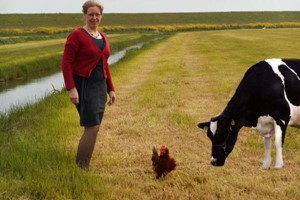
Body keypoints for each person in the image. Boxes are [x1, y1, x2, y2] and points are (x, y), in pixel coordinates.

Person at [61, 0, 116, 170]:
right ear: (84, 15)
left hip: (99, 86)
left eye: (97, 14)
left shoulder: (103, 36)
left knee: (95, 126)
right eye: (90, 14)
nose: (94, 17)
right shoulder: (76, 35)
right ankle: (81, 167)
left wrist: (111, 89)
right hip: (84, 85)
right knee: (91, 127)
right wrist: (71, 88)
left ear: (101, 16)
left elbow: (104, 65)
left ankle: (82, 164)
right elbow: (66, 63)